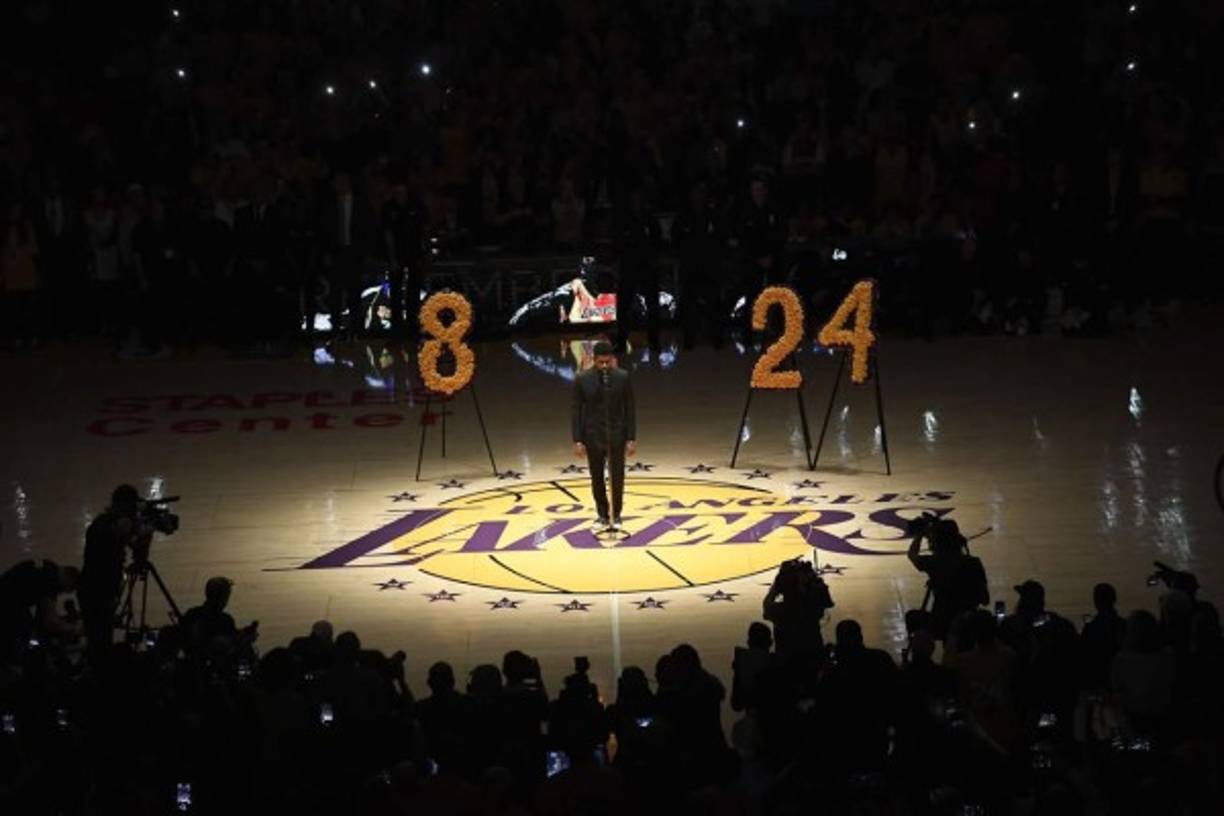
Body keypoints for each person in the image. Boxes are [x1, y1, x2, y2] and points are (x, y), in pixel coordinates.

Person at [571, 340, 636, 531]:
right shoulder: (582, 379)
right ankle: (602, 514)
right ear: (594, 360)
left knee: (617, 477)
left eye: (608, 362)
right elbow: (576, 410)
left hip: (616, 435)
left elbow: (629, 409)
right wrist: (577, 440)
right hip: (592, 436)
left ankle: (616, 514)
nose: (605, 366)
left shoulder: (623, 377)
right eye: (601, 363)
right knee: (596, 477)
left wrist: (631, 438)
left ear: (612, 360)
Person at [78, 484, 143, 663]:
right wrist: (142, 532)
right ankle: (100, 674)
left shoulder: (102, 523)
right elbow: (133, 543)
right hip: (98, 591)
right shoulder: (110, 526)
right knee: (100, 641)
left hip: (94, 589)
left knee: (99, 639)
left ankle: (99, 668)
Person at [906, 514, 989, 639]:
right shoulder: (974, 562)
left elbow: (912, 554)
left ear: (936, 542)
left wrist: (920, 534)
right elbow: (985, 599)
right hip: (969, 622)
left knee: (912, 617)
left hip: (942, 623)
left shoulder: (934, 562)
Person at [0, 558, 79, 660]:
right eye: (68, 588)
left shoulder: (47, 567)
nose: (63, 592)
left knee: (30, 628)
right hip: (7, 606)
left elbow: (44, 614)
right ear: (68, 578)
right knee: (26, 638)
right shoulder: (51, 580)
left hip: (10, 599)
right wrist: (73, 629)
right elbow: (50, 622)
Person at [762, 558, 834, 657]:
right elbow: (827, 602)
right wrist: (815, 582)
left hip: (786, 664)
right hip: (812, 662)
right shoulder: (811, 608)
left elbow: (766, 606)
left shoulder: (779, 610)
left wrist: (775, 587)